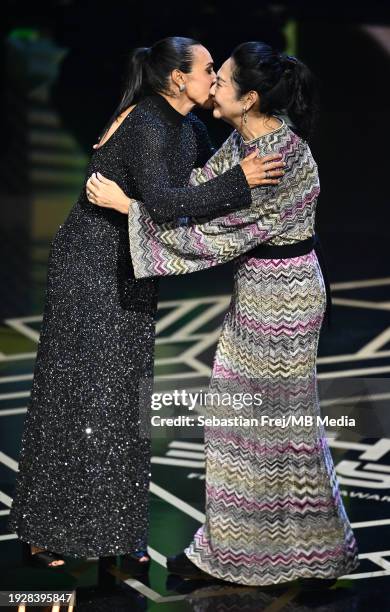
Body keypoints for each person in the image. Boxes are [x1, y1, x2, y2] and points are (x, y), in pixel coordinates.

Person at [87, 42, 360, 587]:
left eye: (223, 79)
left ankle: (280, 554)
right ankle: (255, 549)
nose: (213, 85)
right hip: (259, 292)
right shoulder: (244, 139)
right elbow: (199, 191)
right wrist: (130, 150)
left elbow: (216, 234)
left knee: (265, 430)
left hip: (285, 300)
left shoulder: (278, 159)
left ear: (250, 97)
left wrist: (130, 209)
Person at [6, 36, 284, 570]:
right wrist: (240, 183)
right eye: (208, 69)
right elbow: (164, 202)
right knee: (79, 395)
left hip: (133, 261)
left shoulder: (189, 126)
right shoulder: (149, 123)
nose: (214, 78)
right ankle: (44, 529)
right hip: (91, 266)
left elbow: (197, 188)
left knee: (120, 398)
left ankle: (113, 530)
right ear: (178, 78)